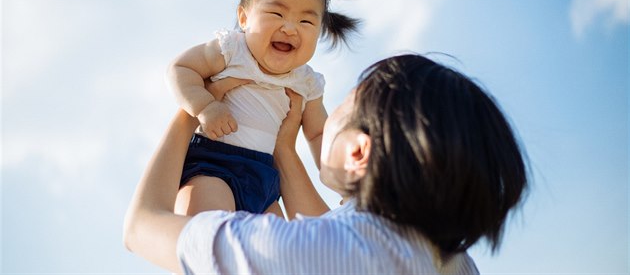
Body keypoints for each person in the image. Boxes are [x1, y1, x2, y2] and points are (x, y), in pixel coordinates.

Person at [124, 53, 529, 274]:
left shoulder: (302, 253)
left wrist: (192, 111)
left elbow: (143, 226)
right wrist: (284, 149)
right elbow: (336, 228)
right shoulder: (457, 264)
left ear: (358, 152)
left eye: (342, 107)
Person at [166, 0, 359, 218]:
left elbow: (320, 134)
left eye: (306, 21)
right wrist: (205, 105)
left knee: (275, 250)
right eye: (277, 14)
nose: (290, 28)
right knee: (207, 221)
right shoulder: (232, 50)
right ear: (244, 18)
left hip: (267, 181)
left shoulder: (306, 82)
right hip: (214, 163)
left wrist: (345, 182)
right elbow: (181, 68)